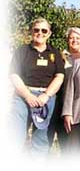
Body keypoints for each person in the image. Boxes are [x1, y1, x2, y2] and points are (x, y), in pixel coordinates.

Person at [9, 17, 65, 155]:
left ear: (49, 33)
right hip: (23, 97)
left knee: (41, 139)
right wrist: (27, 95)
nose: (40, 33)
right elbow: (14, 75)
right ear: (31, 31)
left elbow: (59, 76)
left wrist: (46, 95)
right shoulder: (22, 51)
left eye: (44, 30)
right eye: (36, 30)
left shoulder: (55, 53)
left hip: (46, 98)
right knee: (14, 136)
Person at [48, 27, 80, 151]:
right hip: (62, 103)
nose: (74, 40)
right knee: (65, 143)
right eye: (71, 38)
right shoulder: (61, 58)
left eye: (78, 38)